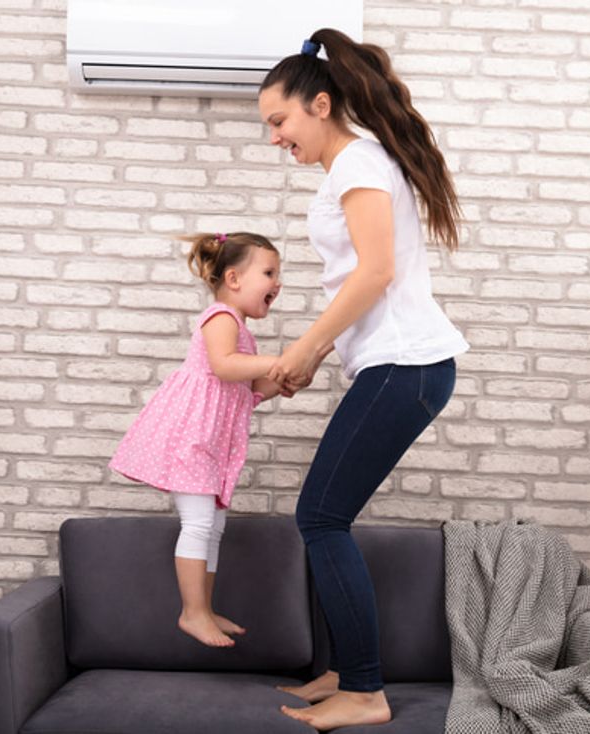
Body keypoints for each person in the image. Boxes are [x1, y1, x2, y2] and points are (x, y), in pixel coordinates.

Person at [258, 28, 470, 730]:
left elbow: (376, 273)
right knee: (323, 516)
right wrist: (314, 355)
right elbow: (362, 280)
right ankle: (347, 672)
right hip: (399, 365)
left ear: (320, 105)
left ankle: (367, 691)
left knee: (320, 518)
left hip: (408, 364)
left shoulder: (357, 164)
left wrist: (308, 348)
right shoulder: (357, 165)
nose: (274, 138)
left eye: (279, 122)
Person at [108, 232, 284, 648]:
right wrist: (281, 360)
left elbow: (250, 387)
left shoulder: (240, 328)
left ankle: (204, 607)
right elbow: (225, 366)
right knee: (200, 522)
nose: (278, 283)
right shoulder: (221, 317)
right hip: (192, 438)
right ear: (234, 278)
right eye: (270, 273)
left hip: (211, 444)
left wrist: (285, 377)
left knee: (214, 526)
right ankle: (192, 612)